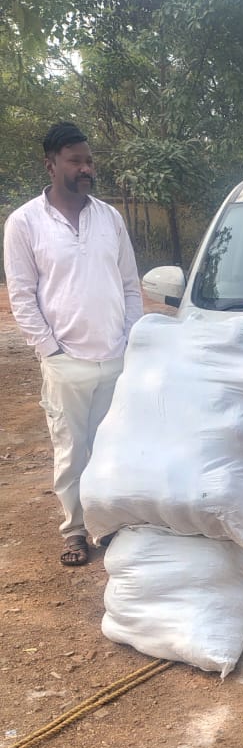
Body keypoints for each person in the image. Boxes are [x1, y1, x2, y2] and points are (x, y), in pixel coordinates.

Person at [3, 122, 142, 566]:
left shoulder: (110, 218)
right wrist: (50, 351)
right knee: (70, 450)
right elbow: (22, 295)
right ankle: (76, 531)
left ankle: (110, 524)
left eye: (89, 161)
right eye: (75, 161)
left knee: (113, 447)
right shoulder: (24, 222)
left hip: (115, 357)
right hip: (66, 361)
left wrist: (129, 338)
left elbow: (130, 285)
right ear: (51, 165)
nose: (86, 169)